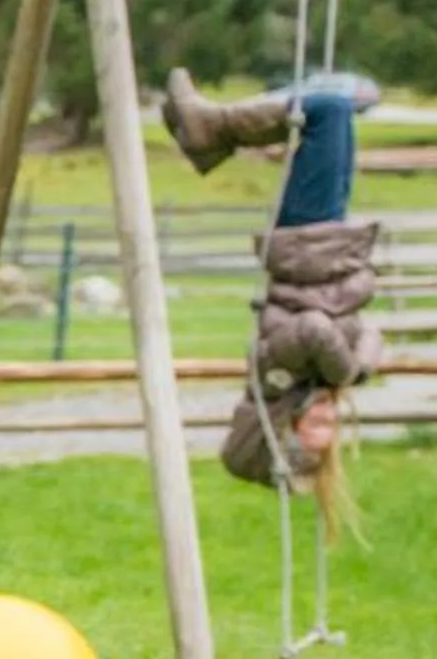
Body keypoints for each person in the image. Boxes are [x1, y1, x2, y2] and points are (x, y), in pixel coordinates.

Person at [160, 69, 383, 502]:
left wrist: (348, 372)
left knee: (329, 108)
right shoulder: (317, 379)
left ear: (287, 424)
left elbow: (314, 327)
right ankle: (211, 135)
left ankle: (212, 129)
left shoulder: (276, 378)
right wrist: (355, 370)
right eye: (329, 427)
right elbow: (373, 333)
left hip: (306, 244)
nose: (327, 417)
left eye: (315, 425)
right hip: (331, 247)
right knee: (340, 109)